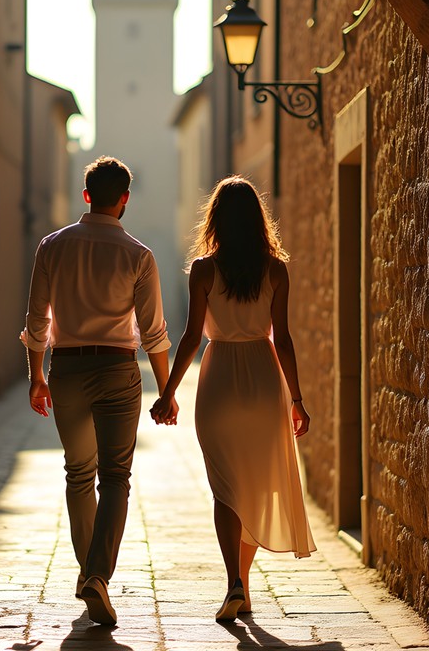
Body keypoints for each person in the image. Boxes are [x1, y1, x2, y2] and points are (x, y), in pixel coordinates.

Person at [150, 175, 315, 622]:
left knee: (225, 488)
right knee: (256, 487)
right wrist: (296, 399)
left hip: (219, 377)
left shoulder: (204, 269)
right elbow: (283, 339)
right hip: (263, 380)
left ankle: (234, 584)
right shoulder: (276, 270)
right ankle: (242, 583)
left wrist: (168, 392)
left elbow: (188, 338)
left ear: (216, 219)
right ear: (258, 220)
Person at [21, 156, 171, 626]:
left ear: (86, 195)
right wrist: (165, 392)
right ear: (124, 198)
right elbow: (154, 334)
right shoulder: (139, 256)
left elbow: (36, 321)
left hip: (65, 370)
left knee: (78, 473)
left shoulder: (52, 246)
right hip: (118, 372)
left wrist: (37, 376)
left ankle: (89, 572)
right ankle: (97, 576)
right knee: (116, 478)